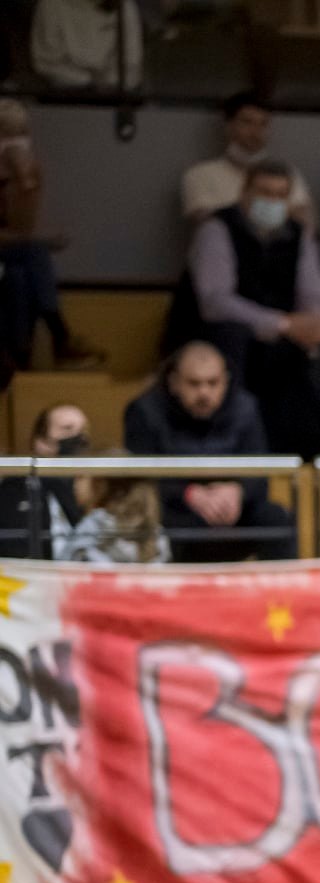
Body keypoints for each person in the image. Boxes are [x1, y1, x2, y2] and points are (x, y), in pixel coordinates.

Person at [186, 159, 320, 458]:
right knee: (234, 338)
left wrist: (315, 324)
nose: (272, 201)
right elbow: (215, 302)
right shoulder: (216, 228)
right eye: (264, 192)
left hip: (283, 334)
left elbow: (313, 294)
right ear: (244, 191)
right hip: (224, 330)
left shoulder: (299, 234)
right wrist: (281, 324)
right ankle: (232, 443)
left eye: (281, 195)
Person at [123, 342, 298, 563]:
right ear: (174, 381)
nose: (204, 392)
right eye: (194, 384)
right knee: (154, 519)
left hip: (231, 511)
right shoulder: (144, 411)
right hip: (174, 510)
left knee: (276, 518)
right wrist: (189, 494)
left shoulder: (246, 407)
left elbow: (260, 472)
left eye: (212, 383)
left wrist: (237, 490)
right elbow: (140, 477)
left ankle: (282, 593)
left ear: (226, 380)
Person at [0, 100, 105, 373]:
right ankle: (59, 335)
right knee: (35, 253)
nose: (14, 143)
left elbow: (22, 228)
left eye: (20, 134)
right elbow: (23, 239)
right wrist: (40, 241)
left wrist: (22, 182)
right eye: (7, 134)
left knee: (18, 278)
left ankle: (19, 363)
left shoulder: (22, 174)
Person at [180, 92, 316, 229]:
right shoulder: (200, 175)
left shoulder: (287, 173)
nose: (256, 132)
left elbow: (306, 224)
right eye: (247, 122)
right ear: (229, 126)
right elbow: (210, 226)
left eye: (263, 124)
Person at [0, 403, 87, 557]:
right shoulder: (14, 489)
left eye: (83, 430)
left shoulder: (93, 487)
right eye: (67, 429)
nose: (79, 437)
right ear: (41, 442)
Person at [58, 450, 171, 565]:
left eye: (80, 477)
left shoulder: (94, 526)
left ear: (100, 484)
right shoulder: (156, 531)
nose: (74, 484)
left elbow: (63, 570)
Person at [30, 0, 144, 91]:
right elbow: (47, 61)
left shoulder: (125, 5)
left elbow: (130, 62)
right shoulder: (50, 4)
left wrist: (107, 82)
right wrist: (87, 81)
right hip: (65, 96)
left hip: (116, 95)